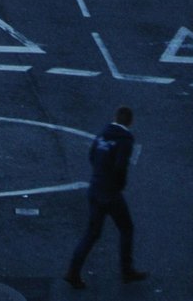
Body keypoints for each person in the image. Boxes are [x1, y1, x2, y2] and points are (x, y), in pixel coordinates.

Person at [64, 105, 147, 289]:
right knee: (126, 228)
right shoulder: (125, 140)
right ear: (130, 122)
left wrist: (100, 175)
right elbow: (120, 167)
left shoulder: (103, 134)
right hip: (111, 193)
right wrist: (119, 185)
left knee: (92, 233)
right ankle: (127, 270)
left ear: (115, 117)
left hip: (95, 188)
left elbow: (92, 155)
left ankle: (73, 271)